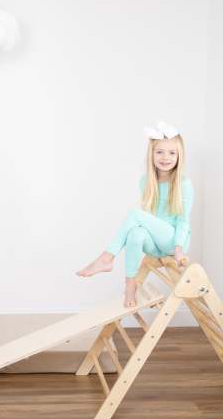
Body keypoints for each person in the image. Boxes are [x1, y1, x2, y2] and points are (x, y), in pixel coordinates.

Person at [77, 121, 194, 307]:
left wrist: (179, 250)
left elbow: (184, 221)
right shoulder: (145, 181)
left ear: (179, 156)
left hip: (174, 241)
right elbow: (147, 218)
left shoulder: (184, 184)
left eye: (172, 153)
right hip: (154, 244)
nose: (166, 157)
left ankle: (106, 258)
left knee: (135, 214)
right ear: (151, 154)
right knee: (135, 233)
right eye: (160, 152)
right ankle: (130, 285)